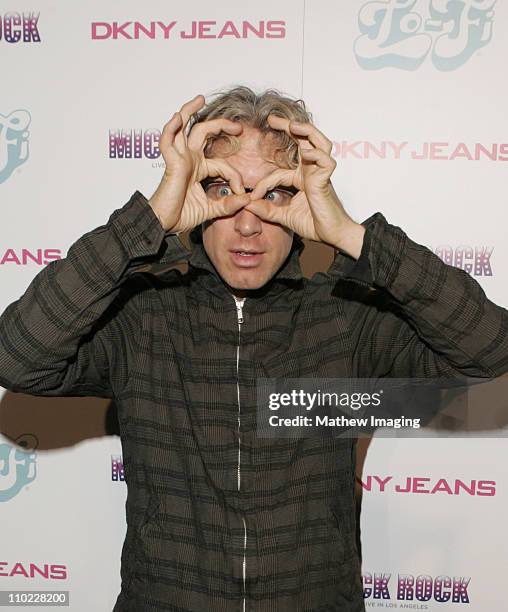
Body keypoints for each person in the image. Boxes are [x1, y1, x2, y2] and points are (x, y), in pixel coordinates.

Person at [0, 86, 507, 612]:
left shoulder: (346, 316)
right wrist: (147, 222)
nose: (248, 224)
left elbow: (490, 348)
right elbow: (17, 358)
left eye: (274, 194)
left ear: (305, 200)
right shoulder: (142, 315)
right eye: (222, 189)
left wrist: (354, 237)